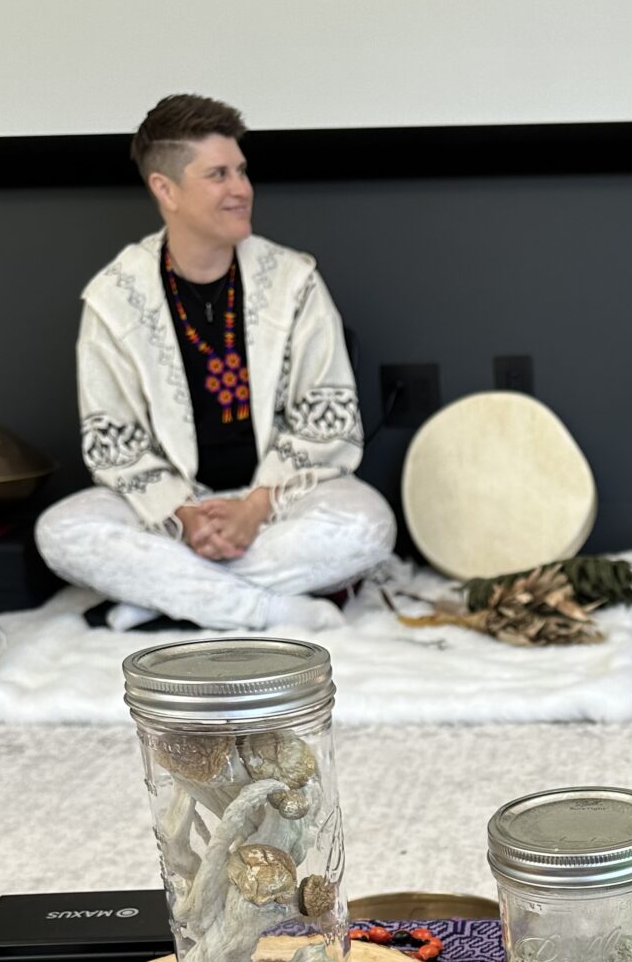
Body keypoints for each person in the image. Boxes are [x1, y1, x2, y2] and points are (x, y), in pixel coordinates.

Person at [36, 94, 394, 633]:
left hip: (277, 503)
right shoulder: (115, 299)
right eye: (219, 175)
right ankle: (263, 608)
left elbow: (327, 416)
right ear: (166, 189)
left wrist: (253, 509)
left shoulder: (293, 281)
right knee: (62, 531)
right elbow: (116, 441)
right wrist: (184, 517)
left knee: (369, 526)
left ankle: (164, 597)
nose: (242, 190)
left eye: (243, 172)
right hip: (173, 513)